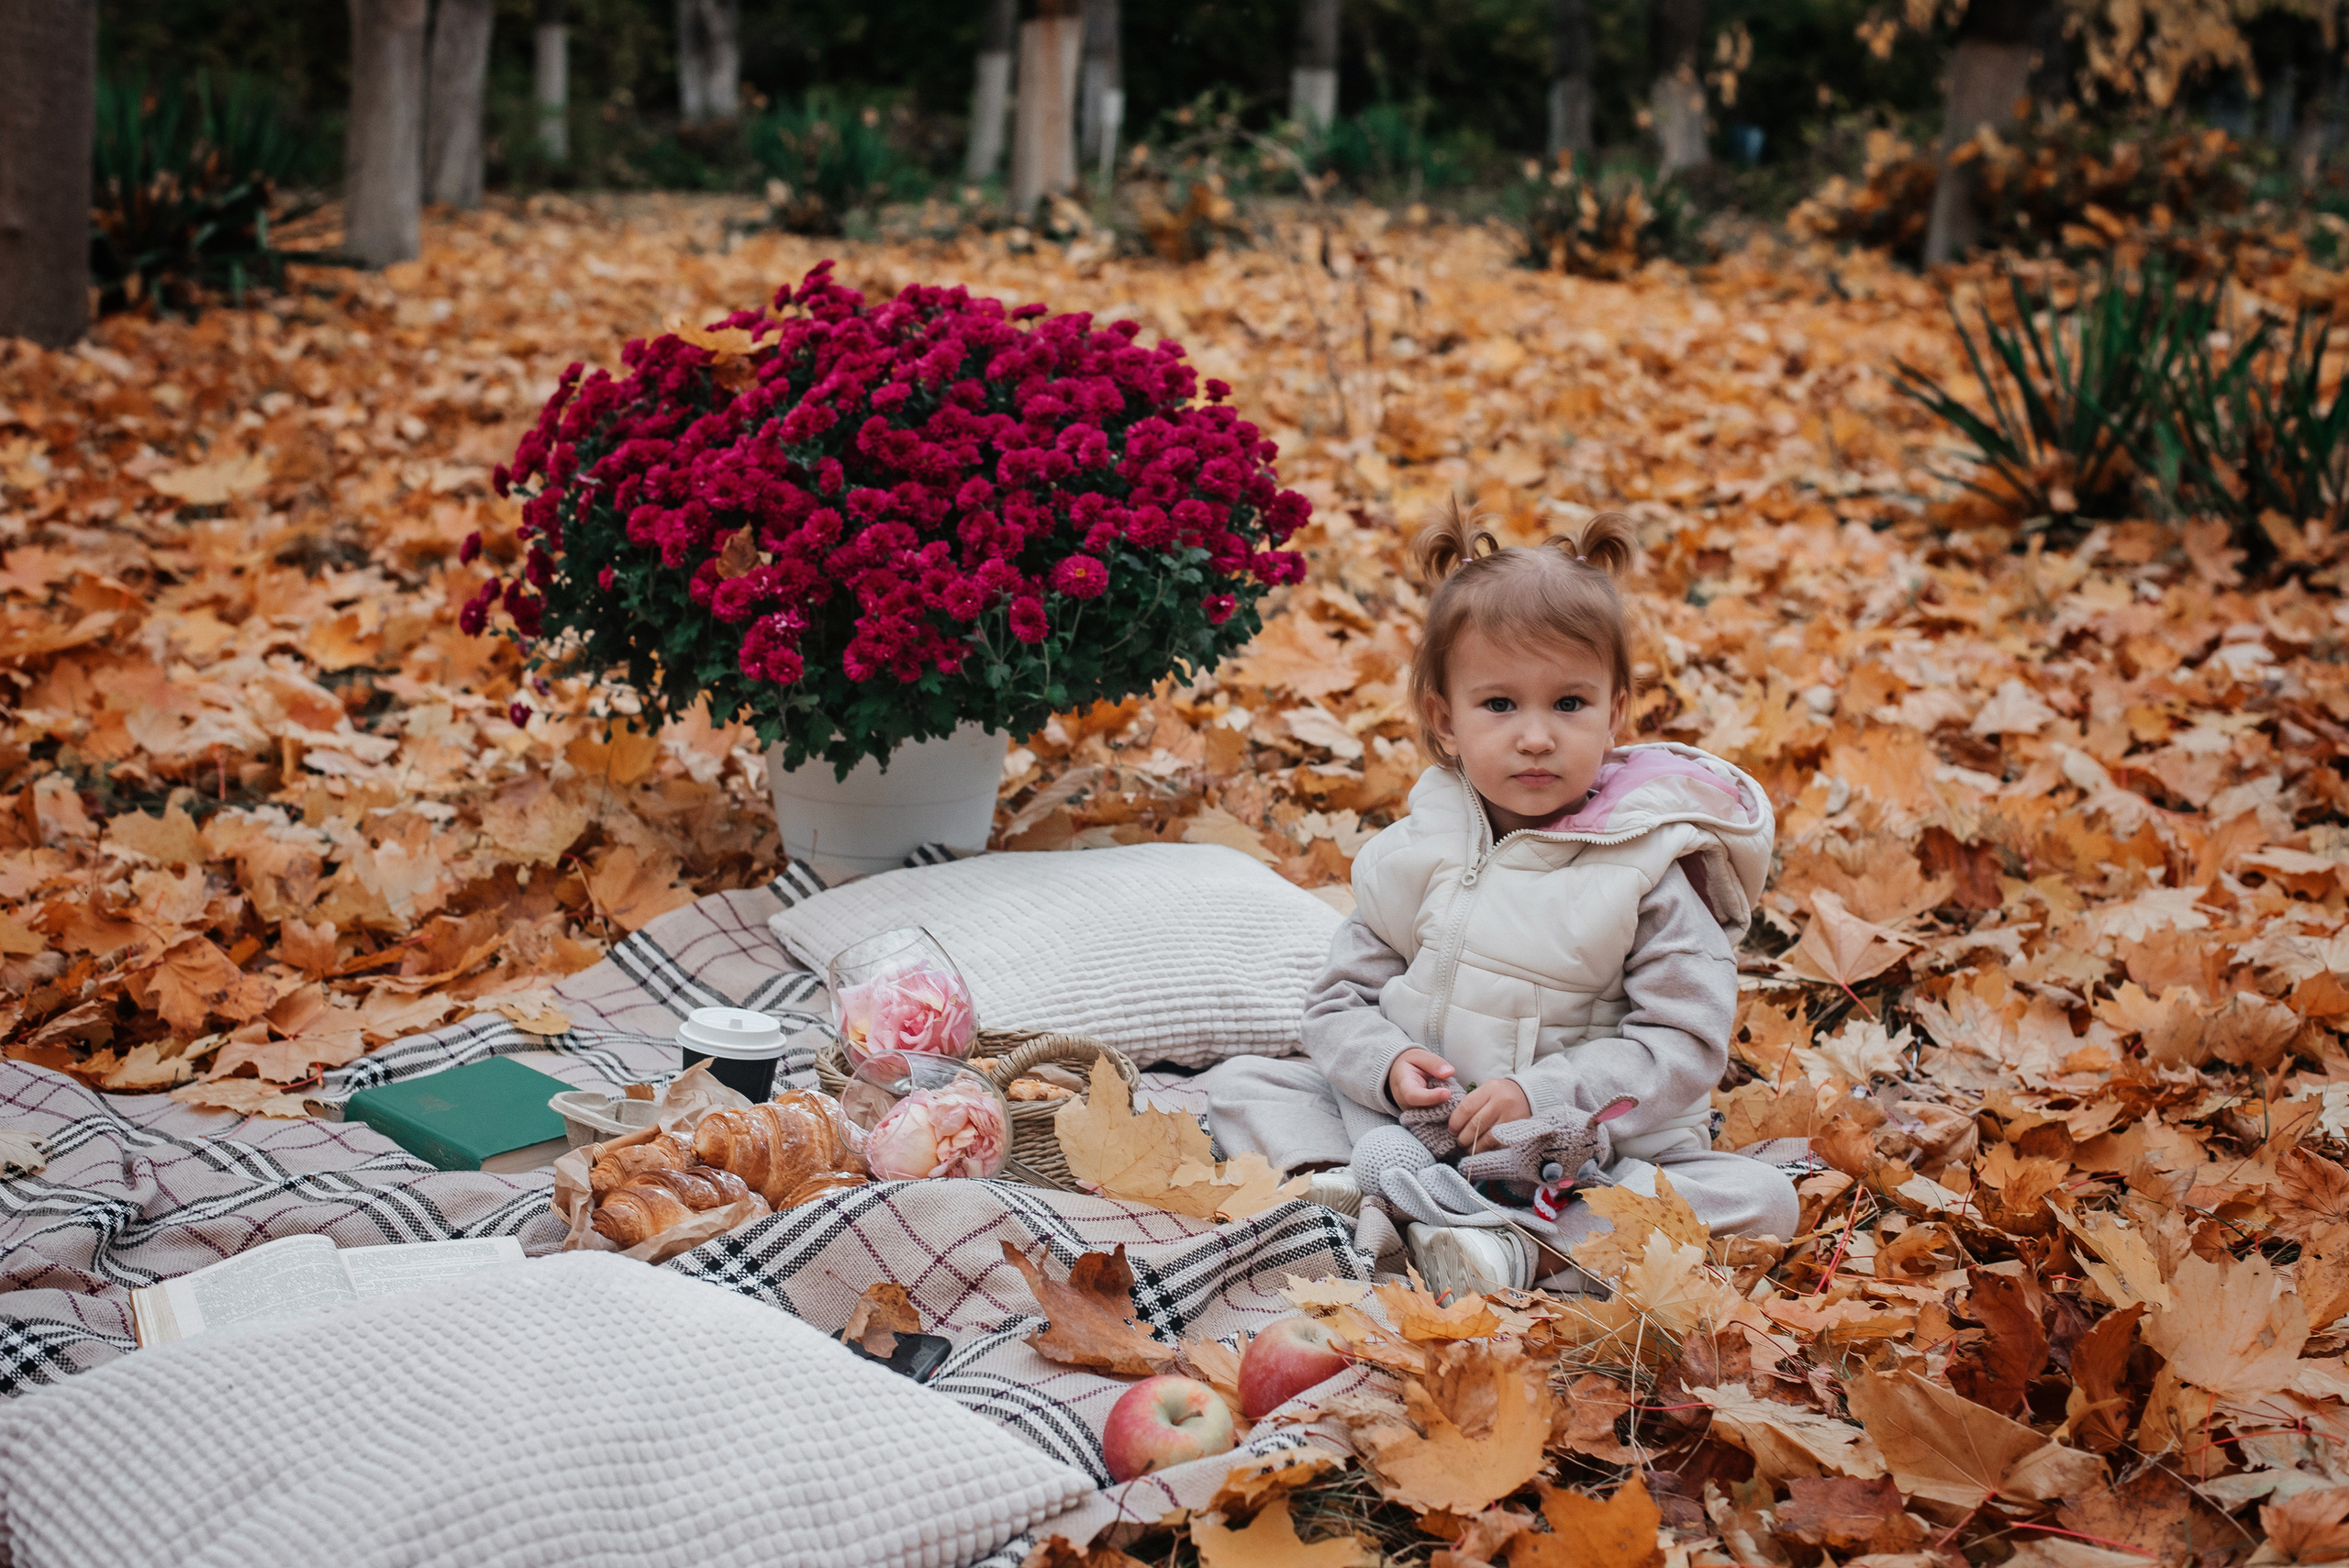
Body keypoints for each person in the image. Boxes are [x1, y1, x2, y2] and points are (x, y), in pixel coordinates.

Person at [1198, 502, 1799, 1300]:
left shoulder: (1649, 866)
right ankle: (1359, 1191)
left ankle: (1519, 1247)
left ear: (1615, 712)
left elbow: (1683, 1044)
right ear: (1446, 721)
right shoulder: (1418, 848)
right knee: (1245, 1082)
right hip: (1417, 1128)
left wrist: (1545, 1096)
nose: (1537, 736)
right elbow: (1338, 1000)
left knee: (1762, 1198)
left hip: (1577, 1158)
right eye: (1501, 705)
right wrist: (1387, 1065)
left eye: (1570, 704)